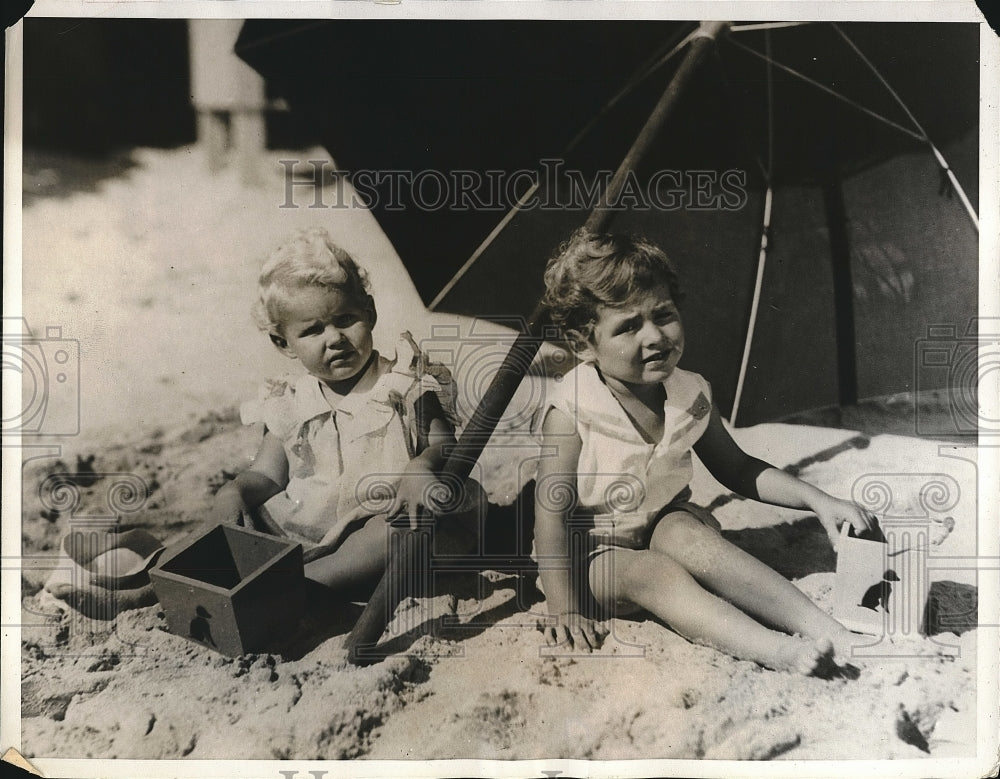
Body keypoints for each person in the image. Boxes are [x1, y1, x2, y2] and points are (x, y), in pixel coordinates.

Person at [533, 229, 876, 675]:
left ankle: (825, 627)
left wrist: (817, 500)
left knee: (688, 537)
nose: (655, 336)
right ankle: (773, 650)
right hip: (592, 556)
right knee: (650, 573)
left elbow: (737, 468)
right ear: (584, 344)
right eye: (629, 326)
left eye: (664, 314)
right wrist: (563, 607)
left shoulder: (688, 391)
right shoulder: (574, 407)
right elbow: (550, 513)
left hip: (661, 523)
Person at [212, 228, 477, 595]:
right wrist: (235, 490)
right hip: (307, 528)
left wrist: (420, 467)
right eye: (313, 331)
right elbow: (268, 476)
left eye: (346, 318)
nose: (334, 338)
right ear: (283, 343)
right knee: (235, 522)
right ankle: (158, 575)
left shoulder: (403, 384)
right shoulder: (289, 400)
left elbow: (447, 446)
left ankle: (304, 590)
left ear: (369, 312)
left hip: (380, 518)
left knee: (397, 530)